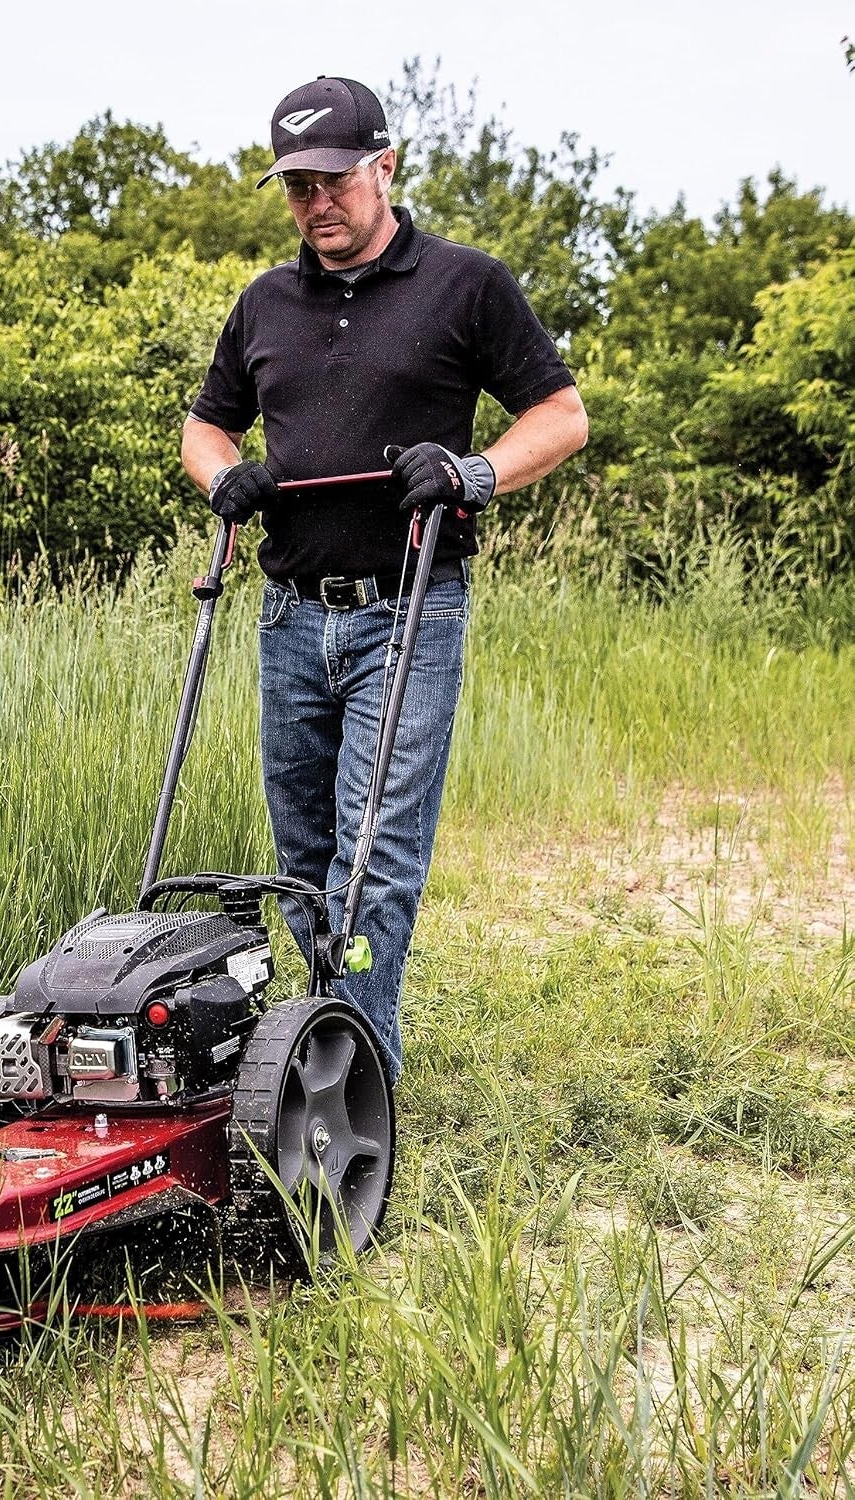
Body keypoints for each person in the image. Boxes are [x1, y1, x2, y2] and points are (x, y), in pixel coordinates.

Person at [182, 76, 587, 1080]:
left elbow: (562, 415)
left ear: (385, 167)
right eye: (296, 187)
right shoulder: (265, 302)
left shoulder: (465, 284)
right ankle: (300, 1062)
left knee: (373, 870)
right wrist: (226, 477)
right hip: (288, 619)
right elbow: (205, 424)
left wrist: (470, 472)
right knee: (302, 867)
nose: (316, 203)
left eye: (333, 180)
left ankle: (345, 1097)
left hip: (408, 610)